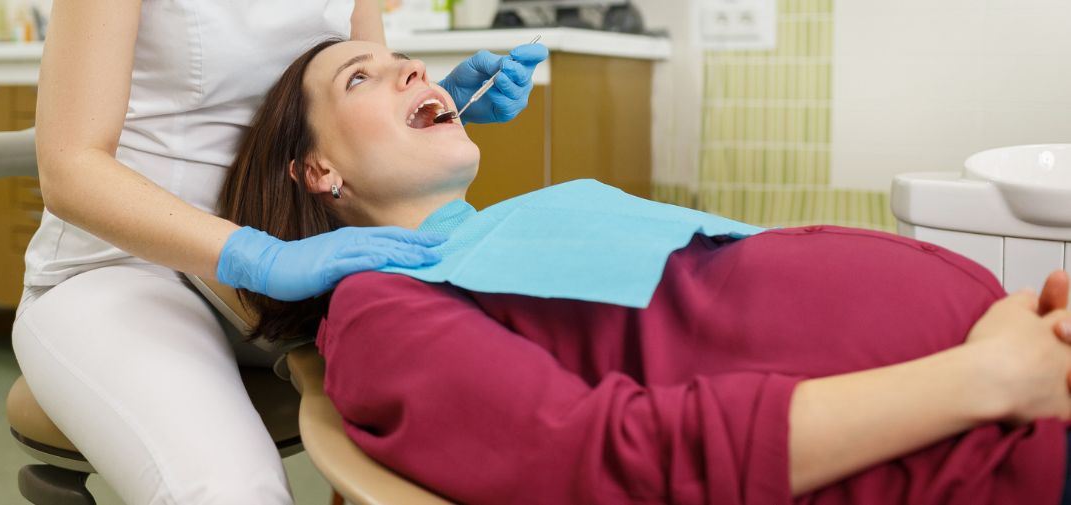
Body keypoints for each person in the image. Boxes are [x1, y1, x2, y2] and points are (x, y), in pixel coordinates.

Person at [220, 38, 1071, 504]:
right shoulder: (380, 306)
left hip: (1022, 376)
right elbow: (602, 458)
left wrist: (1010, 334)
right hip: (993, 450)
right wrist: (983, 376)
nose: (411, 65)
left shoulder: (508, 234)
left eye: (403, 55)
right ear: (317, 173)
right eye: (358, 77)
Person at [9, 2, 547, 503]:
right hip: (127, 265)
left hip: (304, 257)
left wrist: (426, 117)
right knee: (228, 489)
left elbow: (353, 101)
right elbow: (70, 168)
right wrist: (260, 258)